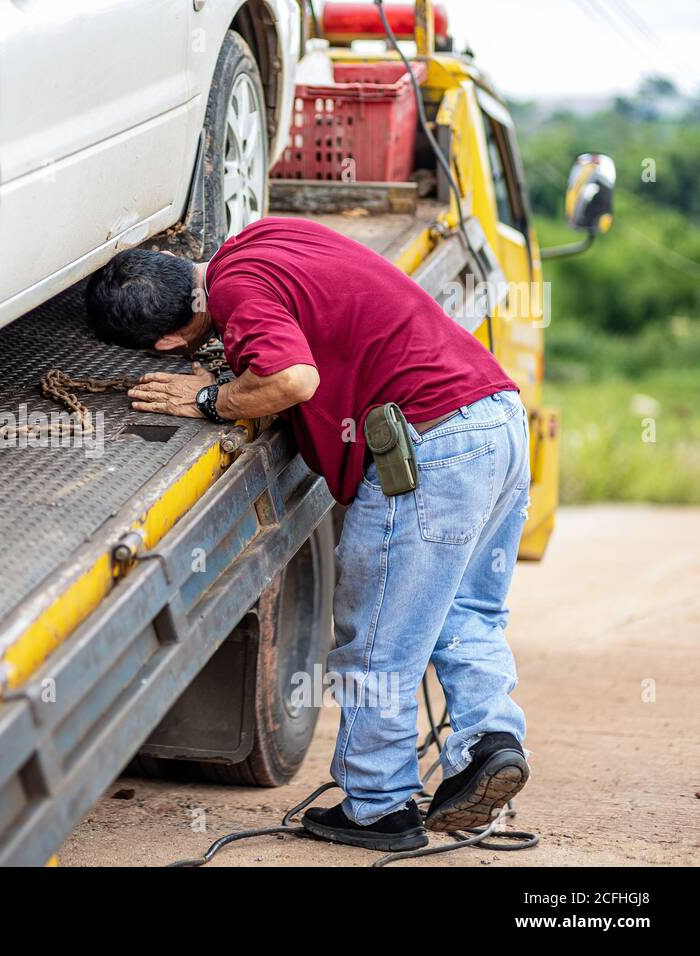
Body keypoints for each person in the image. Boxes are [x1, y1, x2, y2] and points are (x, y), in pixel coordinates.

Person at [85, 217, 531, 851]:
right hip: (497, 417)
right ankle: (490, 741)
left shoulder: (236, 293)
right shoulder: (262, 237)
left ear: (163, 345)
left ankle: (379, 807)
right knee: (468, 611)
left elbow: (294, 379)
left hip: (432, 447)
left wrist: (211, 398)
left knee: (378, 638)